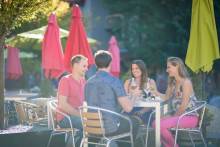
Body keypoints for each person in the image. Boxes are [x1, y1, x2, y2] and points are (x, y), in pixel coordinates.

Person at [85, 50, 140, 147]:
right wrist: (134, 95)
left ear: (95, 63)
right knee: (134, 121)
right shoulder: (114, 81)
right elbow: (128, 108)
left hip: (91, 127)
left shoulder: (88, 82)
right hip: (109, 128)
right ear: (110, 63)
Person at [151, 57, 198, 147]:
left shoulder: (186, 82)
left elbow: (184, 105)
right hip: (178, 116)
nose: (167, 70)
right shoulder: (172, 83)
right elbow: (165, 97)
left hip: (189, 117)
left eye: (169, 67)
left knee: (159, 125)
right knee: (154, 123)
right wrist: (155, 92)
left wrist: (172, 117)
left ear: (177, 67)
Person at [57, 55, 88, 145]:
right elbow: (63, 105)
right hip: (65, 118)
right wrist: (80, 115)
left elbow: (86, 101)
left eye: (87, 66)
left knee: (99, 122)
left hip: (79, 116)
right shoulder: (65, 80)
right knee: (91, 124)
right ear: (75, 65)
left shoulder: (83, 81)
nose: (87, 69)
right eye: (84, 66)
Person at [124, 60, 157, 124]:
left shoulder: (150, 82)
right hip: (130, 109)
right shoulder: (128, 82)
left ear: (142, 69)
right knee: (125, 120)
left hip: (146, 110)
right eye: (133, 69)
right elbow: (124, 101)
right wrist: (133, 94)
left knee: (135, 121)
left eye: (137, 68)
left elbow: (154, 101)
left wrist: (142, 111)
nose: (134, 70)